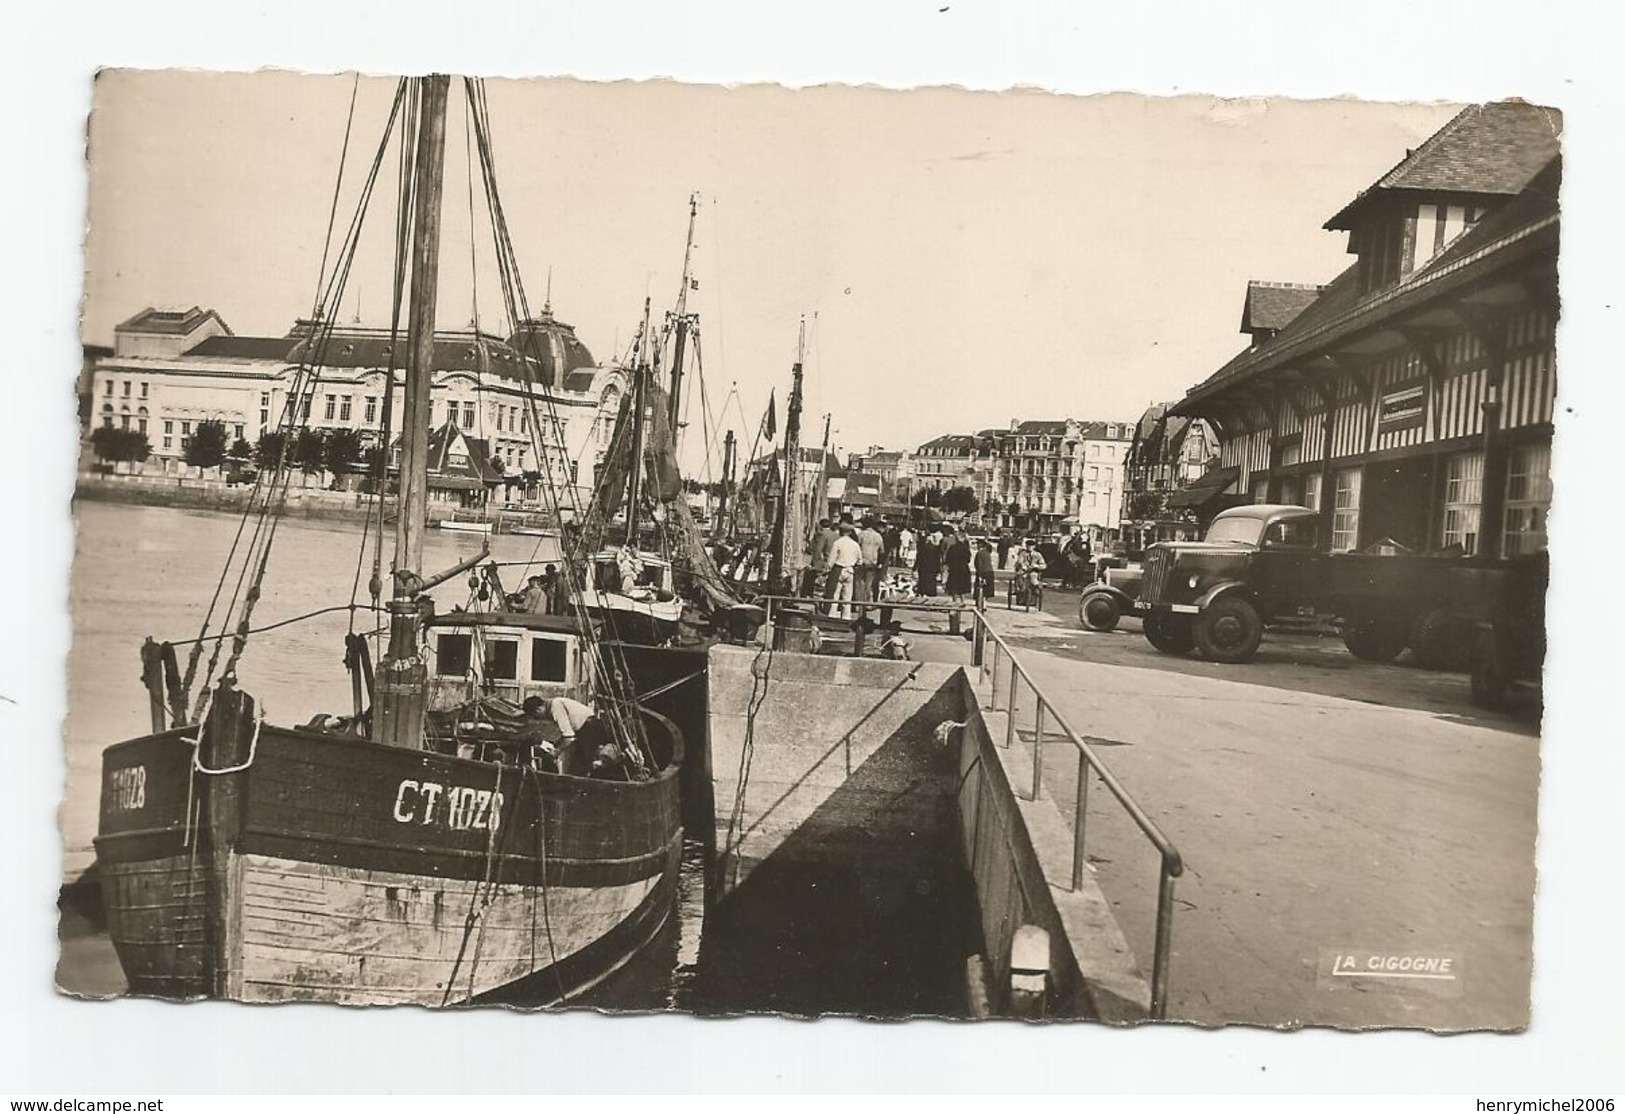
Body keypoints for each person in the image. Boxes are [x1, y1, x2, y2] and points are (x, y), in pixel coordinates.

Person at [829, 523, 862, 618]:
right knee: (847, 597)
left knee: (835, 595)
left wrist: (828, 569)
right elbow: (860, 560)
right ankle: (846, 617)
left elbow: (831, 559)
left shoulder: (838, 543)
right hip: (850, 570)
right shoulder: (855, 544)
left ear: (840, 531)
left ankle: (832, 616)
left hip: (839, 569)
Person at [855, 517, 885, 603]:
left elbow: (857, 547)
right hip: (872, 562)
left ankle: (858, 602)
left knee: (859, 583)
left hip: (861, 561)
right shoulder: (878, 536)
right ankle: (867, 602)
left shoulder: (861, 534)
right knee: (869, 584)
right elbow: (882, 551)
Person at [944, 529, 973, 605]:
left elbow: (948, 558)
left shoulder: (952, 548)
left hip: (954, 569)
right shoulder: (966, 549)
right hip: (963, 569)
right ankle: (963, 601)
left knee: (953, 586)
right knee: (962, 587)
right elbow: (968, 559)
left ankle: (954, 601)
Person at [915, 527, 941, 597]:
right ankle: (931, 592)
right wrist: (938, 569)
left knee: (923, 580)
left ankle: (922, 592)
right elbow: (937, 559)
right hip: (932, 567)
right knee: (931, 580)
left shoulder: (922, 548)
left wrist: (915, 567)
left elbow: (918, 558)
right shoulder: (935, 549)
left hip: (923, 567)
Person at [973, 539, 995, 606]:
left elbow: (979, 564)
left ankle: (979, 602)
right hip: (990, 572)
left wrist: (979, 574)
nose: (977, 546)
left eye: (978, 544)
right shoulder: (987, 552)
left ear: (980, 545)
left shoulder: (979, 553)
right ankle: (985, 603)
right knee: (987, 589)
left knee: (979, 587)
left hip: (983, 572)